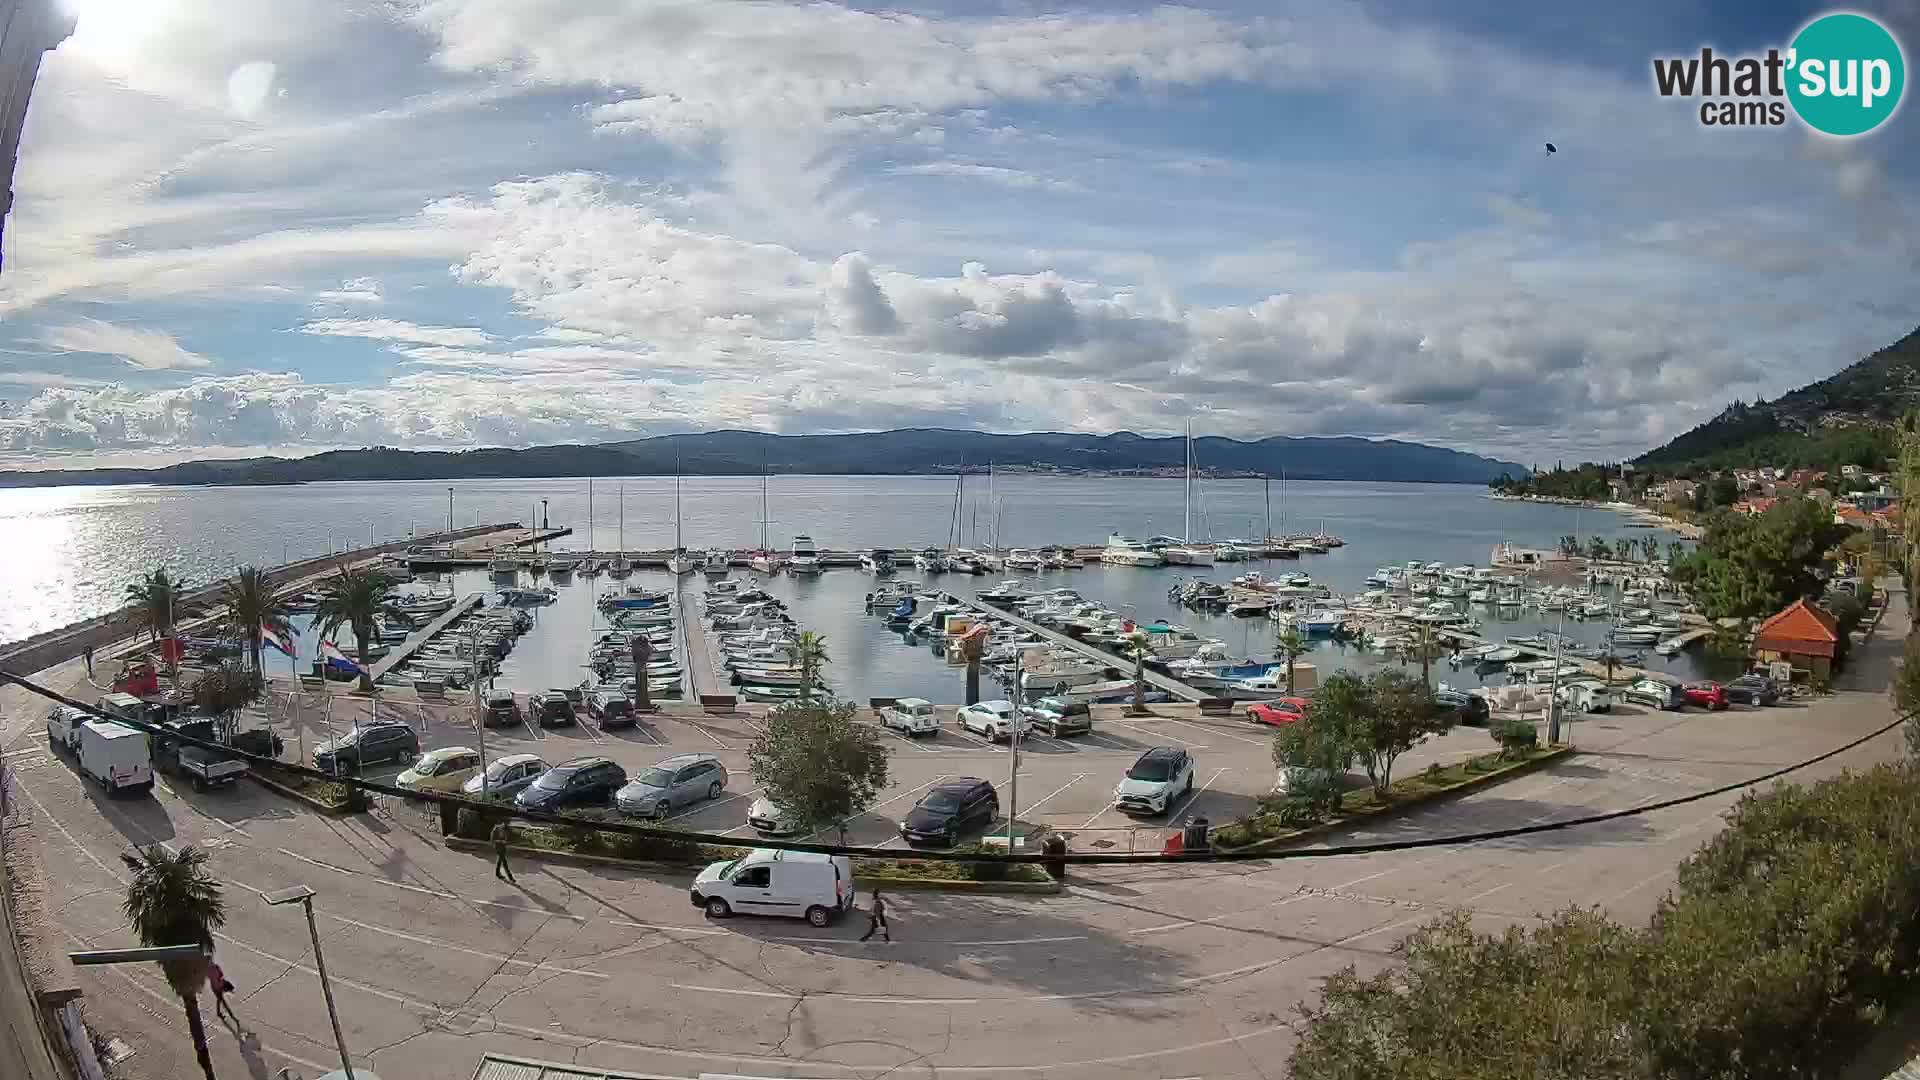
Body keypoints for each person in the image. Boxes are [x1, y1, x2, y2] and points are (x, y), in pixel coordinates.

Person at [207, 957, 237, 1025]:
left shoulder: (209, 969)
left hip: (216, 987)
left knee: (219, 999)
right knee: (221, 1000)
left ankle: (219, 1013)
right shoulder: (215, 967)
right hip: (218, 987)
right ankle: (231, 1015)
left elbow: (219, 975)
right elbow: (221, 975)